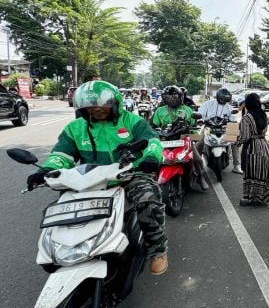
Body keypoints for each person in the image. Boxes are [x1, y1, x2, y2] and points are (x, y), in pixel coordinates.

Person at [27, 81, 169, 275]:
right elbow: (62, 155)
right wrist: (47, 170)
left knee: (148, 199)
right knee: (61, 209)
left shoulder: (133, 121)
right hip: (90, 180)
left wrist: (152, 157)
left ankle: (157, 250)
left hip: (129, 175)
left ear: (115, 102)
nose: (97, 109)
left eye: (103, 104)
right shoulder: (75, 128)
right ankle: (63, 251)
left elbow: (153, 141)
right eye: (91, 105)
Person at [151, 85, 209, 191]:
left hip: (183, 139)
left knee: (198, 159)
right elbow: (154, 125)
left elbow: (193, 125)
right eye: (168, 97)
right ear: (164, 98)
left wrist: (192, 131)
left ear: (180, 97)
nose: (171, 99)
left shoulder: (187, 109)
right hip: (164, 140)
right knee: (152, 157)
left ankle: (200, 178)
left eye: (174, 97)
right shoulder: (160, 111)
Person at [236, 93, 269, 206]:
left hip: (252, 148)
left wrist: (237, 142)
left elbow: (245, 137)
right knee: (261, 171)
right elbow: (264, 131)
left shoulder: (247, 117)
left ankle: (251, 198)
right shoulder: (263, 114)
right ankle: (262, 195)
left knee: (251, 172)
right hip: (264, 146)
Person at [196, 88, 242, 174]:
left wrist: (234, 122)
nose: (223, 102)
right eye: (222, 99)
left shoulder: (229, 107)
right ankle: (197, 166)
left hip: (224, 129)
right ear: (217, 97)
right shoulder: (208, 104)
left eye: (225, 100)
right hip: (208, 129)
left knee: (235, 142)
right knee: (200, 141)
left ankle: (237, 165)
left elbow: (233, 118)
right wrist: (200, 119)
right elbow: (201, 113)